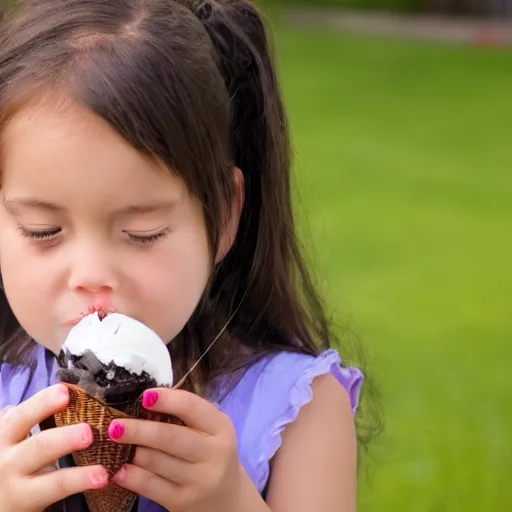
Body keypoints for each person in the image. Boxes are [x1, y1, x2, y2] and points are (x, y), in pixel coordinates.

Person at [0, 0, 372, 510]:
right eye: (42, 230)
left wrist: (232, 502)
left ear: (221, 216)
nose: (90, 275)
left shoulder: (300, 408)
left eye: (142, 232)